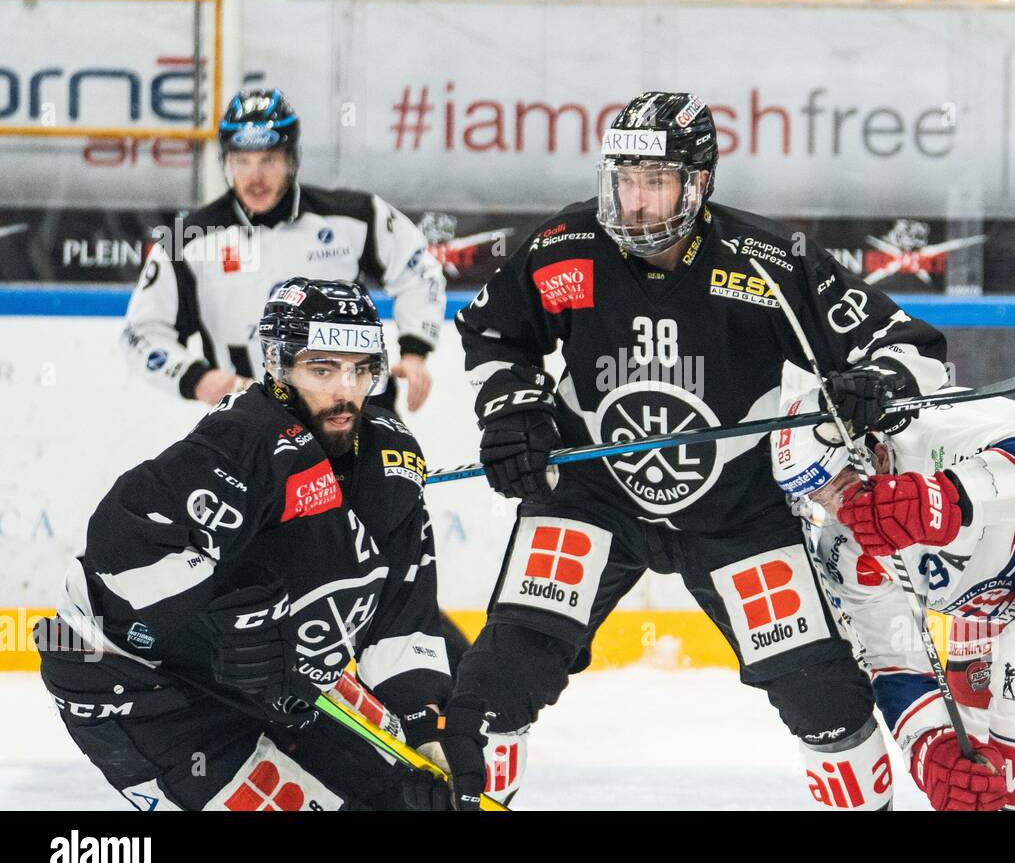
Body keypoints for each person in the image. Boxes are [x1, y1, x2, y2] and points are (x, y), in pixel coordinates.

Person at [444, 90, 950, 809]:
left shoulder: (766, 260)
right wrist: (513, 409)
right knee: (494, 688)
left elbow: (910, 345)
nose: (637, 202)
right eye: (625, 179)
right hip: (592, 499)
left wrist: (875, 381)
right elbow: (494, 334)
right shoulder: (567, 247)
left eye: (656, 181)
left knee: (826, 704)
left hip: (737, 515)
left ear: (699, 181)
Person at [36, 279, 486, 811]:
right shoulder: (240, 443)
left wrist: (421, 726)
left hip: (285, 688)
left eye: (360, 369)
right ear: (277, 367)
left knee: (406, 799)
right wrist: (221, 616)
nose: (345, 392)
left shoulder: (391, 459)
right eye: (322, 370)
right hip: (142, 691)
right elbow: (117, 551)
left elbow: (400, 617)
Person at [771, 384, 1015, 810]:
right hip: (988, 587)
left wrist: (939, 499)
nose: (838, 511)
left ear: (872, 451)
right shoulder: (843, 550)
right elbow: (896, 661)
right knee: (971, 759)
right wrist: (930, 752)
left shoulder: (934, 422)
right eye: (817, 498)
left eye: (841, 486)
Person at [121, 88, 444, 415]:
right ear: (226, 161)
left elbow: (418, 270)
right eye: (241, 161)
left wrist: (416, 350)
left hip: (353, 414)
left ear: (292, 159)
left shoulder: (356, 216)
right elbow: (141, 332)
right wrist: (197, 378)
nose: (254, 177)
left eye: (268, 160)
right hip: (252, 426)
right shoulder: (188, 241)